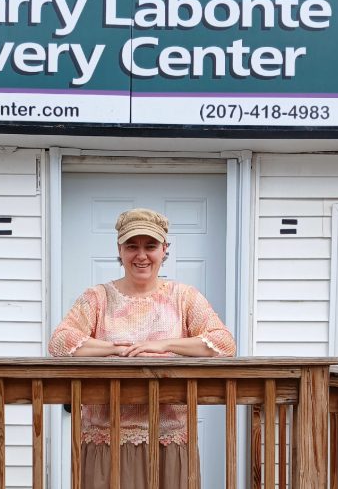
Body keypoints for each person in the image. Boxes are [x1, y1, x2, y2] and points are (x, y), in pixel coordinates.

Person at [48, 207, 236, 489]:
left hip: (169, 440)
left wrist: (164, 345)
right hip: (105, 440)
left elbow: (224, 344)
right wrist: (112, 349)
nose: (141, 255)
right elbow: (60, 342)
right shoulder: (98, 298)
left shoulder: (183, 297)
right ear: (120, 250)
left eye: (151, 246)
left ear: (164, 250)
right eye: (132, 246)